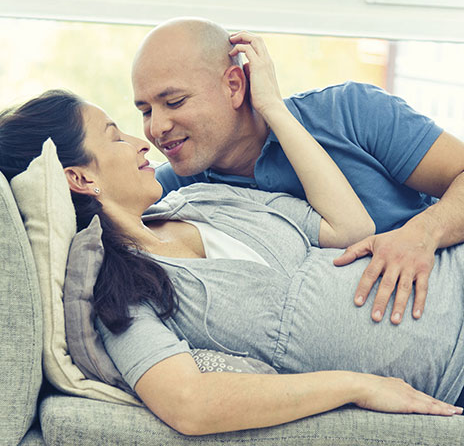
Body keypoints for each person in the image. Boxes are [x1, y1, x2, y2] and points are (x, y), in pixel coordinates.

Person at [0, 83, 464, 435]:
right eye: (114, 135)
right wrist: (357, 386)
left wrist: (273, 108)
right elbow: (189, 403)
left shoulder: (204, 199)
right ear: (81, 179)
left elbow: (351, 229)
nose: (142, 140)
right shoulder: (122, 288)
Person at [131, 18, 464, 326]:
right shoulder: (171, 194)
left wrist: (424, 232)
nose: (157, 127)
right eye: (145, 111)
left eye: (174, 102)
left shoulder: (351, 111)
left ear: (234, 85)